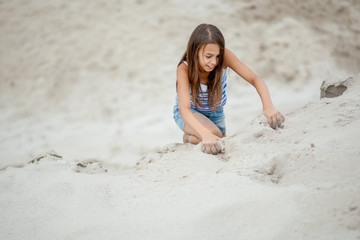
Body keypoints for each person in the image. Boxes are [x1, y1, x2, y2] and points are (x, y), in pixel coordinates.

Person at [173, 23, 284, 155]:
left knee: (220, 139)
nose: (214, 62)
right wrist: (205, 134)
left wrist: (268, 107)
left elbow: (255, 79)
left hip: (216, 113)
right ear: (195, 51)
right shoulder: (184, 68)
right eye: (208, 56)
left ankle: (194, 136)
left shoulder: (225, 57)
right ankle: (191, 136)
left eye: (217, 56)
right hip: (190, 113)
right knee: (213, 134)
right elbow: (184, 109)